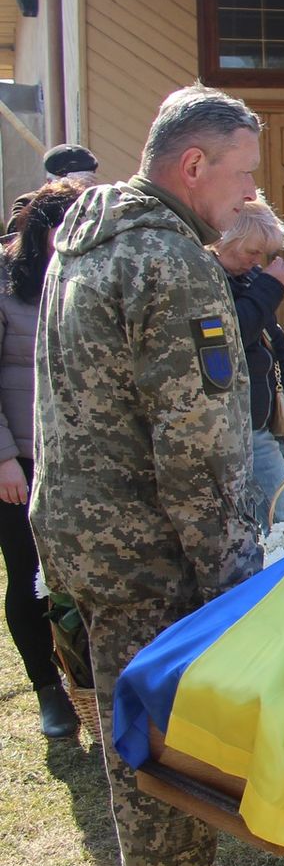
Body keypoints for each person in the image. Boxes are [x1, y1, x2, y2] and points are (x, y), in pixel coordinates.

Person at [31, 84, 284, 866]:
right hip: (151, 555)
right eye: (244, 175)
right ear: (194, 166)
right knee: (157, 761)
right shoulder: (172, 265)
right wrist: (235, 591)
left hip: (89, 538)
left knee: (151, 745)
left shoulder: (87, 237)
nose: (252, 197)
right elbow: (198, 449)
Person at [0, 179, 86, 738]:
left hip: (82, 461)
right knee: (28, 578)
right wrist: (5, 459)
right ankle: (49, 693)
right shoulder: (5, 283)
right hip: (21, 464)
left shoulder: (90, 277)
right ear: (43, 230)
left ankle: (86, 683)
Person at [213, 199, 284, 533]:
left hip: (257, 423)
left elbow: (277, 347)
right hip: (227, 427)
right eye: (251, 252)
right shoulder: (208, 280)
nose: (257, 262)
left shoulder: (250, 278)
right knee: (268, 519)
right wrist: (269, 288)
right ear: (226, 240)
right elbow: (232, 334)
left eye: (263, 255)